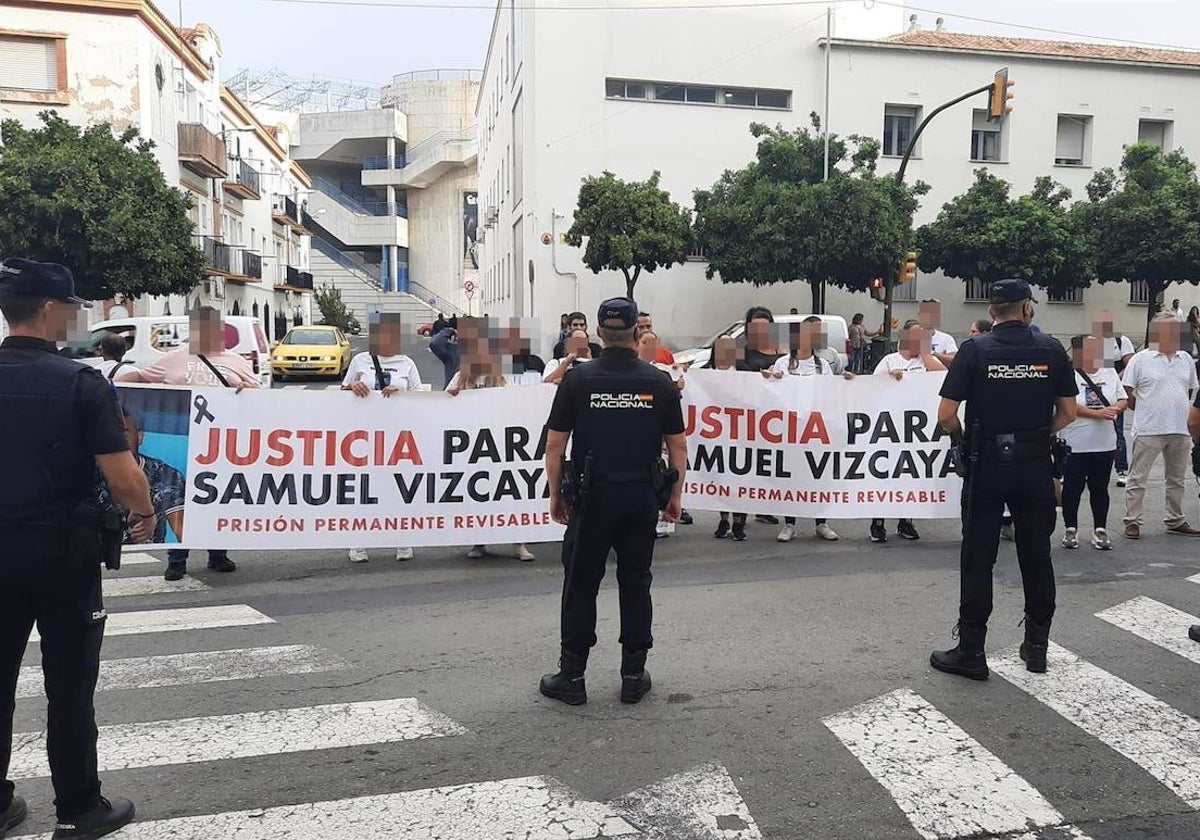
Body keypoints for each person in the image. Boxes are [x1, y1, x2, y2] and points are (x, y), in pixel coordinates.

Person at [0, 258, 154, 840]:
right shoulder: (80, 382)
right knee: (68, 685)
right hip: (61, 551)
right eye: (72, 309)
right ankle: (80, 810)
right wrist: (144, 513)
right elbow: (124, 478)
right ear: (49, 311)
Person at [540, 297, 687, 706]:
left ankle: (572, 677)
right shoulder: (658, 382)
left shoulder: (579, 380)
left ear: (600, 333)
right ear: (637, 333)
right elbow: (677, 445)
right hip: (640, 496)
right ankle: (633, 675)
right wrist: (674, 496)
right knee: (635, 583)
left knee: (581, 584)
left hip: (592, 495)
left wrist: (555, 494)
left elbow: (555, 443)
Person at [931, 279, 1077, 680]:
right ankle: (1036, 648)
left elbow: (946, 415)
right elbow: (1068, 413)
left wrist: (966, 443)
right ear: (1027, 308)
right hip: (1034, 465)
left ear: (992, 311)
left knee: (978, 557)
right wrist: (1037, 435)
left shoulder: (974, 351)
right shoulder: (1051, 350)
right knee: (1036, 555)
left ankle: (972, 651)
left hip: (987, 464)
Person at [117, 306, 259, 581]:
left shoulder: (236, 360)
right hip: (184, 439)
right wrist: (114, 385)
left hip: (221, 442)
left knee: (218, 497)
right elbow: (141, 378)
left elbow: (259, 394)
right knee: (180, 496)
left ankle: (217, 553)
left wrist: (244, 387)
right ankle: (176, 559)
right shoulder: (172, 359)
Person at [448, 318, 536, 562]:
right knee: (478, 493)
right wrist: (451, 396)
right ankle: (479, 541)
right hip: (471, 446)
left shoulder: (505, 377)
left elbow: (519, 404)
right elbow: (442, 408)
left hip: (499, 445)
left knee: (509, 494)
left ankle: (519, 543)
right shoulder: (460, 378)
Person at [342, 312, 423, 563]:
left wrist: (401, 393)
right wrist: (352, 387)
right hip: (364, 436)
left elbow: (421, 397)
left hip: (398, 435)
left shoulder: (407, 362)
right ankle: (359, 542)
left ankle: (401, 540)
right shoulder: (360, 361)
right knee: (364, 487)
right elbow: (341, 392)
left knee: (398, 487)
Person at [766, 320, 850, 542]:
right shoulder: (782, 364)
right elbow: (771, 394)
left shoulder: (823, 365)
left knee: (816, 475)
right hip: (790, 429)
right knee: (791, 475)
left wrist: (848, 382)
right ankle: (790, 524)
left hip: (815, 430)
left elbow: (833, 392)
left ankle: (820, 522)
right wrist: (770, 381)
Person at [1121, 312, 1200, 539]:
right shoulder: (1140, 359)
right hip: (1149, 428)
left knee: (1176, 479)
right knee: (1138, 478)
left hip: (1179, 428)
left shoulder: (1185, 359)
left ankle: (1175, 518)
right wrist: (1144, 408)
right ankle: (1132, 520)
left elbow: (1189, 390)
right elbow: (1129, 391)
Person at [868, 319, 948, 543]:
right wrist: (889, 377)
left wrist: (925, 355)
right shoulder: (889, 360)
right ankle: (878, 521)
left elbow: (942, 377)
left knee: (911, 473)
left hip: (916, 430)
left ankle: (906, 521)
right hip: (890, 426)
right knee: (886, 473)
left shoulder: (925, 360)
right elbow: (869, 389)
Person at [713, 306, 781, 540]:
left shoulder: (781, 351)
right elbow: (725, 375)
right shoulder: (740, 350)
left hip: (771, 419)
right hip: (740, 419)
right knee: (731, 470)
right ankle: (728, 519)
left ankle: (761, 509)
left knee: (758, 468)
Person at [1059, 335, 1126, 551]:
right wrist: (1097, 414)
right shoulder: (1068, 374)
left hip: (1104, 443)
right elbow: (1068, 405)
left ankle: (1100, 529)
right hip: (1075, 442)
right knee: (1072, 488)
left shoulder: (1109, 373)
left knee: (1099, 488)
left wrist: (1117, 408)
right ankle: (1071, 529)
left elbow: (1123, 398)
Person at [94, 409, 186, 545]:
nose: (117, 438)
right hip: (96, 559)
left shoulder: (164, 474)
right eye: (110, 433)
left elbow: (182, 531)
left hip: (147, 561)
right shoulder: (87, 473)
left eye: (124, 431)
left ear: (140, 436)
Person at [1094, 311, 1135, 486]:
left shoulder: (1121, 341)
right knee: (1093, 428)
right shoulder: (1092, 342)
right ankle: (1093, 468)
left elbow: (1130, 364)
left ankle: (1121, 469)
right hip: (1095, 390)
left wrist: (1115, 378)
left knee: (1117, 431)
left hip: (1114, 391)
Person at [918, 299, 958, 366]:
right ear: (919, 315)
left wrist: (933, 353)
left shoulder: (946, 338)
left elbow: (954, 361)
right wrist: (943, 356)